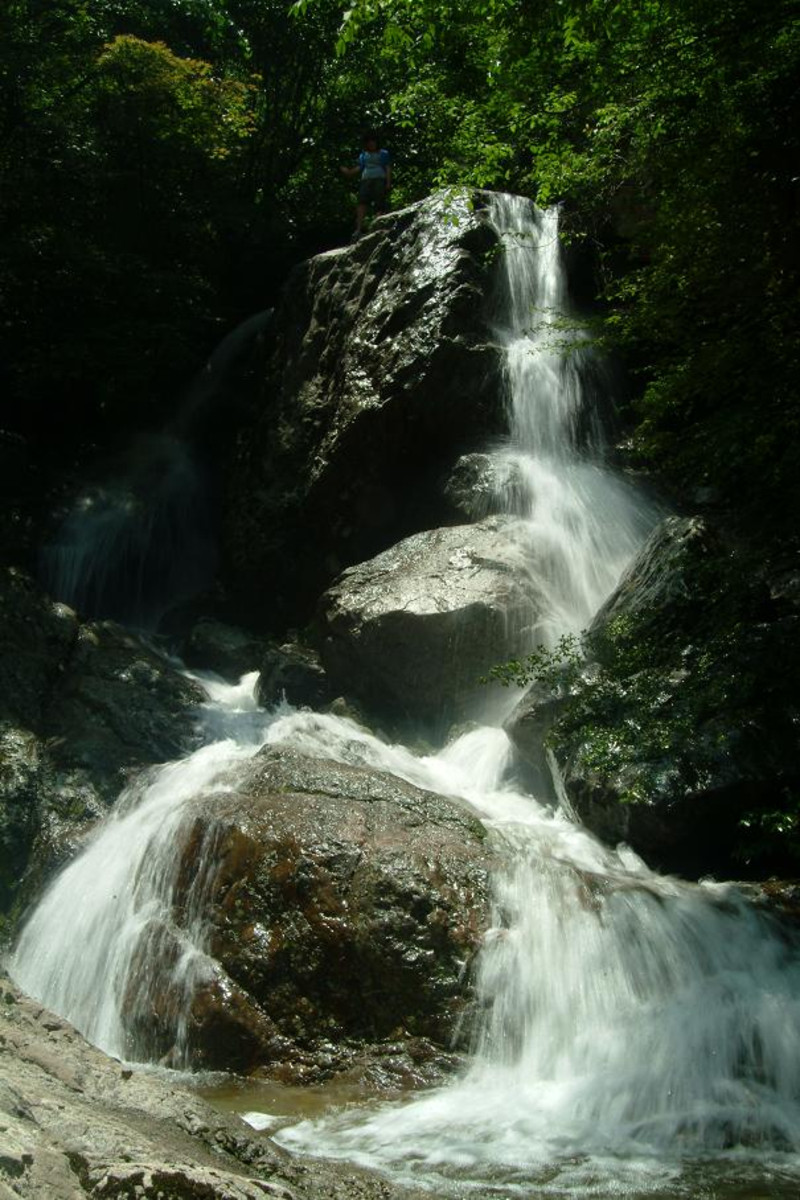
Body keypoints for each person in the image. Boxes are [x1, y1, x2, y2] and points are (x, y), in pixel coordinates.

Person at [340, 131, 392, 240]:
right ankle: (358, 229)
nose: (371, 144)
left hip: (379, 179)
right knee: (362, 202)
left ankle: (378, 226)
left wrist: (388, 182)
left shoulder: (383, 153)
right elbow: (360, 167)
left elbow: (387, 168)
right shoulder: (363, 155)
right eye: (369, 142)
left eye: (373, 142)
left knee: (379, 202)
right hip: (366, 179)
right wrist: (349, 172)